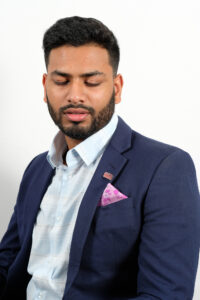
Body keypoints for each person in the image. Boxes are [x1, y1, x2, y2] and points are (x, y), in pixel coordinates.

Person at [0, 16, 199, 300]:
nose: (75, 95)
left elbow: (165, 295)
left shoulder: (165, 168)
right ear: (45, 86)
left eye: (91, 82)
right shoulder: (37, 168)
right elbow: (8, 262)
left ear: (116, 88)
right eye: (61, 81)